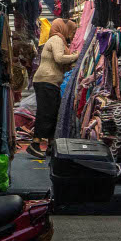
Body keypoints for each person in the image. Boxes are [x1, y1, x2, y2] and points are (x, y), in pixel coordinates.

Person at [28, 19, 78, 159]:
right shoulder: (56, 39)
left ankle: (51, 145)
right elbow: (59, 58)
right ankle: (35, 144)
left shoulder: (58, 40)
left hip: (50, 81)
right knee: (46, 113)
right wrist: (76, 56)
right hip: (46, 81)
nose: (73, 35)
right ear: (64, 28)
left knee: (52, 113)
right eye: (72, 31)